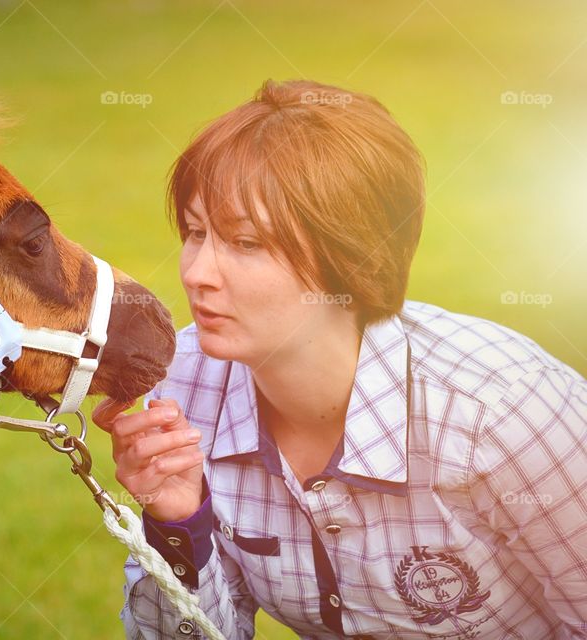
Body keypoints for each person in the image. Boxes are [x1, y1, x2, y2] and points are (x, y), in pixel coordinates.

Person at [92, 79, 587, 639]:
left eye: (247, 243)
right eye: (195, 232)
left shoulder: (507, 410)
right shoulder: (180, 388)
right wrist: (179, 526)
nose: (198, 273)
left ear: (352, 257)